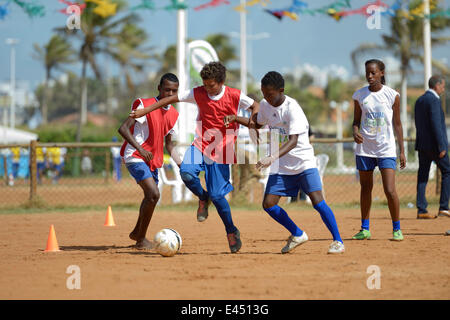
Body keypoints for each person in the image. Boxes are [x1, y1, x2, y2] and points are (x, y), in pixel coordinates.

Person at [130, 62, 260, 253]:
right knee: (187, 172)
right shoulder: (197, 93)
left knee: (218, 196)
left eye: (211, 85)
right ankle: (202, 197)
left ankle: (231, 231)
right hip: (201, 144)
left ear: (221, 82)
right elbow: (168, 100)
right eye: (204, 84)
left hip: (223, 150)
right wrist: (144, 111)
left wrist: (253, 119)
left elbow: (255, 105)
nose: (207, 88)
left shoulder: (234, 95)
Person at [224, 71, 345, 254]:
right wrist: (235, 119)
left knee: (318, 202)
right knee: (269, 204)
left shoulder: (292, 108)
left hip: (302, 162)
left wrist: (271, 157)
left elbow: (293, 140)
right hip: (282, 166)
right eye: (264, 94)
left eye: (270, 94)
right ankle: (297, 234)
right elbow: (256, 124)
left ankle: (338, 241)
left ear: (281, 90)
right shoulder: (265, 105)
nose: (266, 98)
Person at [119, 73, 182, 250]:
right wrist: (140, 148)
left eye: (174, 91)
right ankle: (140, 239)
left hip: (152, 161)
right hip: (135, 156)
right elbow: (123, 128)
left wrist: (181, 164)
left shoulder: (174, 115)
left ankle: (137, 233)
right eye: (167, 89)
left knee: (151, 196)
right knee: (154, 194)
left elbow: (169, 145)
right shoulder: (143, 104)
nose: (170, 94)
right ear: (159, 89)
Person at [351, 59, 406, 241]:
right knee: (366, 188)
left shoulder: (392, 95)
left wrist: (402, 150)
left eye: (373, 73)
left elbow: (397, 124)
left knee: (389, 190)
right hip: (365, 149)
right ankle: (365, 228)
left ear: (382, 73)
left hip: (385, 149)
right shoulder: (359, 95)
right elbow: (356, 121)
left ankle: (396, 229)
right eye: (367, 73)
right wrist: (355, 132)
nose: (370, 76)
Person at [414, 75, 449, 219]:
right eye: (443, 85)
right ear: (436, 85)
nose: (444, 88)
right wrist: (441, 146)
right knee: (447, 172)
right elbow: (436, 125)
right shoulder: (434, 100)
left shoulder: (420, 100)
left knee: (422, 175)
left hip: (422, 145)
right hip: (435, 146)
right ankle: (443, 207)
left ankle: (422, 209)